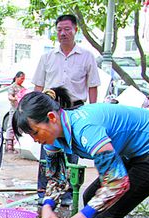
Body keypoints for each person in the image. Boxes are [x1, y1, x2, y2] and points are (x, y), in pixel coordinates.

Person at [14, 87, 149, 218]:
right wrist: (48, 207)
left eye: (35, 132)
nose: (35, 139)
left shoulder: (86, 128)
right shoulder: (52, 139)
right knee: (90, 197)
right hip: (129, 151)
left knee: (107, 217)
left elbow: (116, 182)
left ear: (51, 117)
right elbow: (56, 177)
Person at [31, 14, 101, 206]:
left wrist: (92, 112)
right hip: (49, 109)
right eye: (59, 29)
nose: (63, 33)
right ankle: (44, 193)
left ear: (75, 30)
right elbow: (38, 86)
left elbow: (93, 85)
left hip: (75, 111)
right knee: (48, 152)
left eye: (67, 29)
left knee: (71, 155)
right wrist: (35, 111)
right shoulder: (47, 57)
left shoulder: (87, 57)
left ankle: (68, 194)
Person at [6, 71, 27, 152]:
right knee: (11, 125)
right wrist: (16, 98)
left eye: (24, 79)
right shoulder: (12, 87)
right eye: (21, 78)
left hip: (21, 110)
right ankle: (9, 144)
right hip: (14, 109)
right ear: (16, 77)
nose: (22, 80)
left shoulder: (22, 88)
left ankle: (17, 143)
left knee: (20, 126)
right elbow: (10, 96)